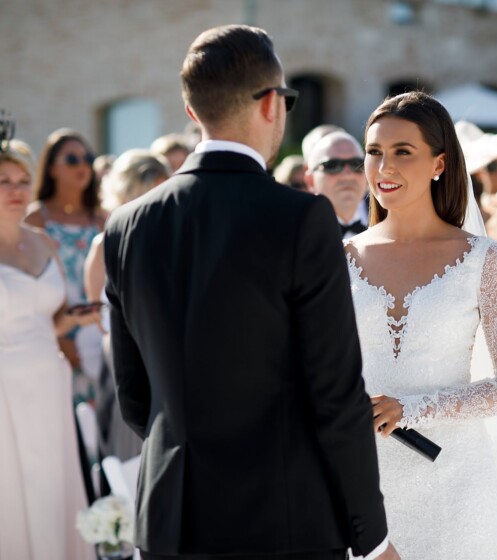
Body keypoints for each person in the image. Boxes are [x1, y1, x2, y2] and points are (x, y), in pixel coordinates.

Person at [103, 25, 396, 560]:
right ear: (270, 105)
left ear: (193, 114)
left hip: (171, 520)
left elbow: (136, 399)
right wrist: (372, 538)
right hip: (281, 518)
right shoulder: (302, 218)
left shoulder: (126, 226)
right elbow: (335, 392)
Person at [344, 91, 497, 559]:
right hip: (364, 488)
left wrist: (413, 408)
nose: (384, 167)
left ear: (439, 163)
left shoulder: (482, 259)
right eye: (374, 152)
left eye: (402, 152)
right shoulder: (341, 260)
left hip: (456, 485)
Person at [0, 139, 94, 559]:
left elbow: (47, 322)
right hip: (6, 389)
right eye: (3, 181)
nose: (15, 189)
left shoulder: (43, 241)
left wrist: (73, 319)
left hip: (51, 381)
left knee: (54, 489)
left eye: (21, 179)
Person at [84, 149, 170, 462]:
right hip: (123, 360)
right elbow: (97, 312)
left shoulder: (170, 240)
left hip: (162, 358)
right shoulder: (105, 244)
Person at [25, 128, 107, 404]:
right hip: (54, 342)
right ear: (51, 169)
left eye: (87, 158)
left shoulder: (104, 219)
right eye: (72, 159)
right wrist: (60, 341)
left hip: (101, 341)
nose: (82, 166)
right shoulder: (35, 220)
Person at [305, 131, 368, 239]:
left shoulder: (390, 221)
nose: (348, 175)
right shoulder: (294, 230)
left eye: (356, 164)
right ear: (311, 180)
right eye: (332, 165)